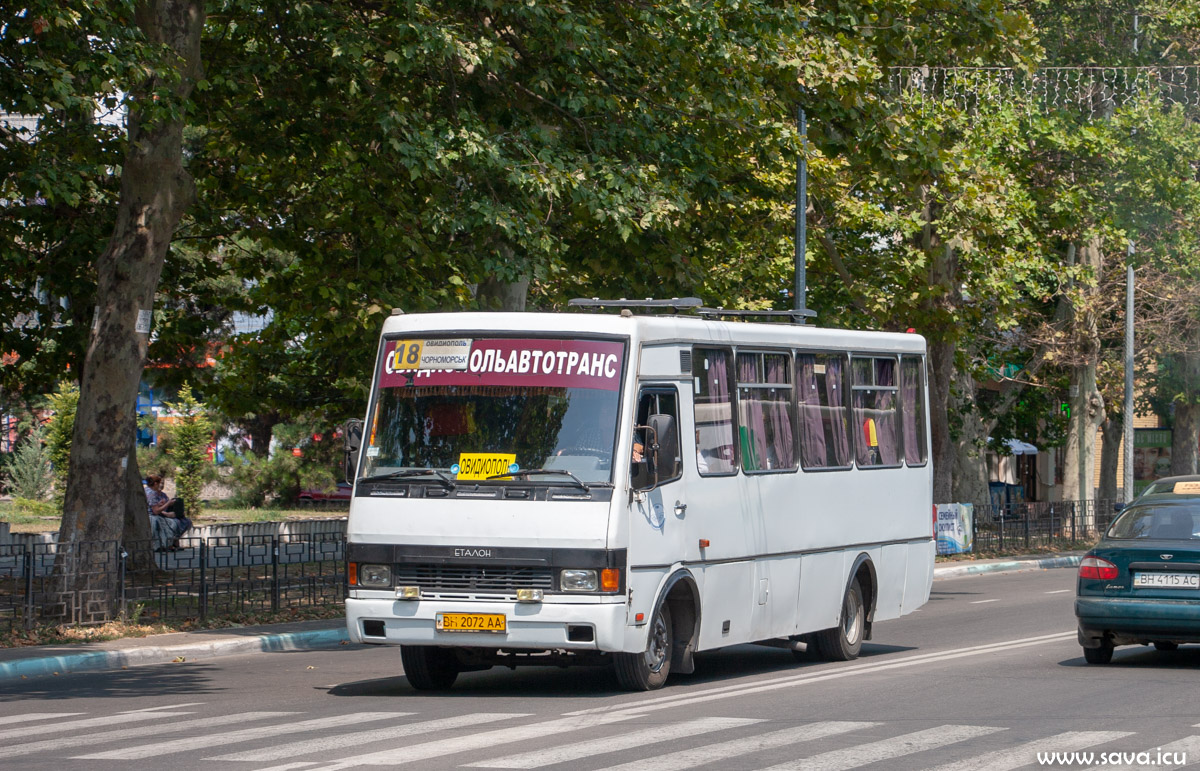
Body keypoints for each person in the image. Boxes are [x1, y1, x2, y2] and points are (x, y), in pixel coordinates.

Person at [143, 474, 192, 551]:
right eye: (159, 483)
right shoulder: (152, 493)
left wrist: (160, 504)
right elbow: (155, 511)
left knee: (182, 520)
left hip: (155, 515)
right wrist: (168, 503)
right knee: (173, 523)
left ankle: (170, 543)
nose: (160, 486)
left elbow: (152, 505)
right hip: (153, 517)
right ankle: (166, 544)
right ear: (155, 484)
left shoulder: (146, 490)